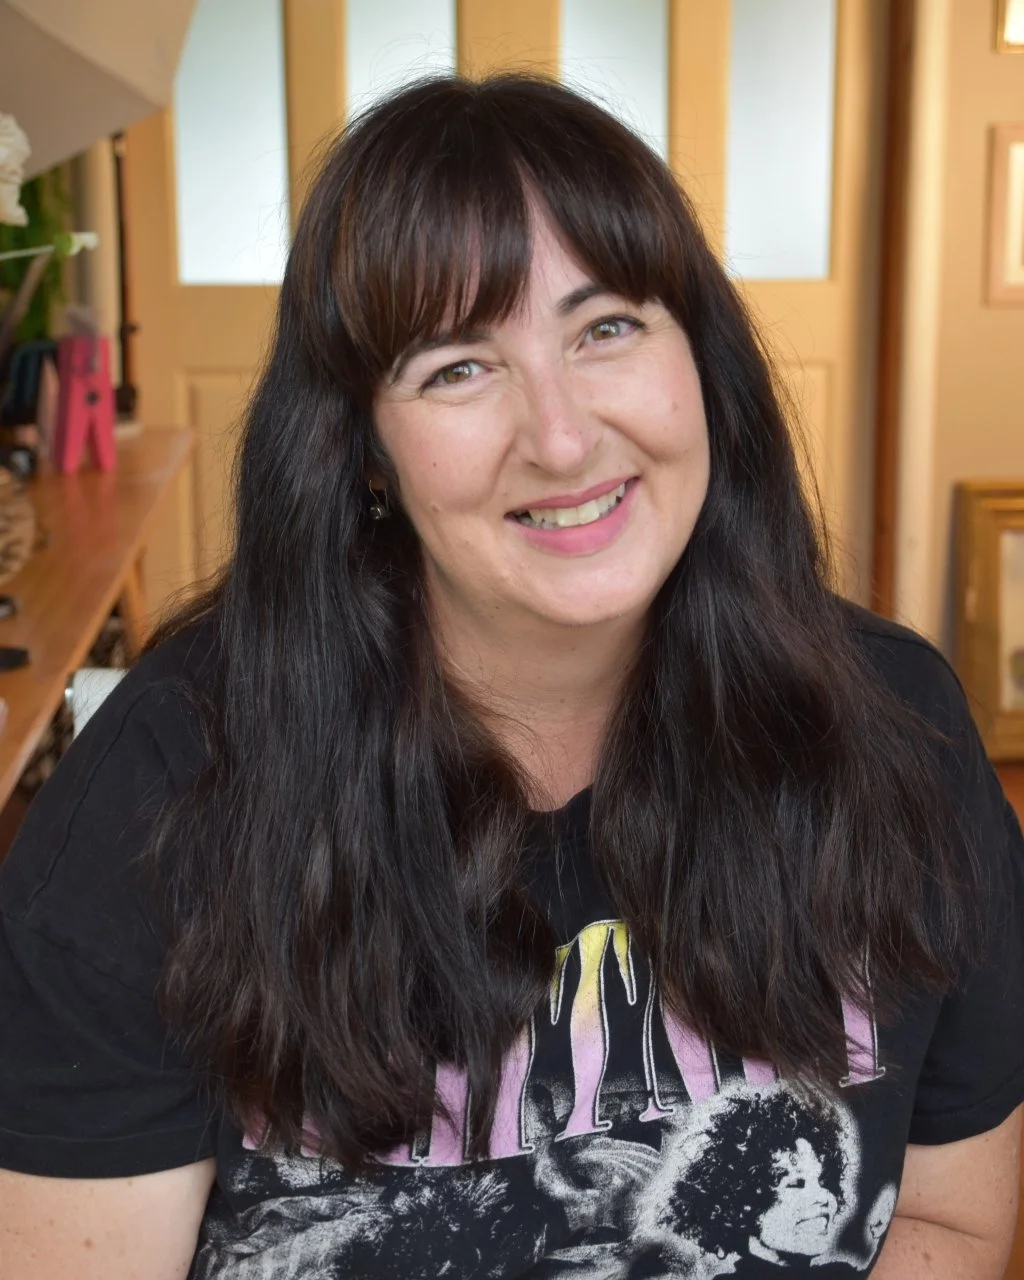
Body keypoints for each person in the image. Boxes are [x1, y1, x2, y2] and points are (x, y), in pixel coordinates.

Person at [0, 73, 1022, 1279]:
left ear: (699, 357)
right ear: (362, 450)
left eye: (606, 328)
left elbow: (950, 1221)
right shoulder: (167, 791)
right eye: (456, 368)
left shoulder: (894, 727)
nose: (561, 435)